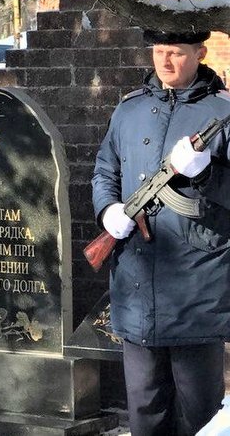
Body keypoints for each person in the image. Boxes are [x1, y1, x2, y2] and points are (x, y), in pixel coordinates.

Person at [92, 28, 230, 436]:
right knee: (145, 410)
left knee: (199, 413)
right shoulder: (129, 110)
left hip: (197, 290)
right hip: (136, 287)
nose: (165, 62)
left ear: (201, 53)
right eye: (159, 51)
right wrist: (108, 211)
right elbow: (105, 169)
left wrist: (206, 174)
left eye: (176, 53)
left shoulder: (222, 112)